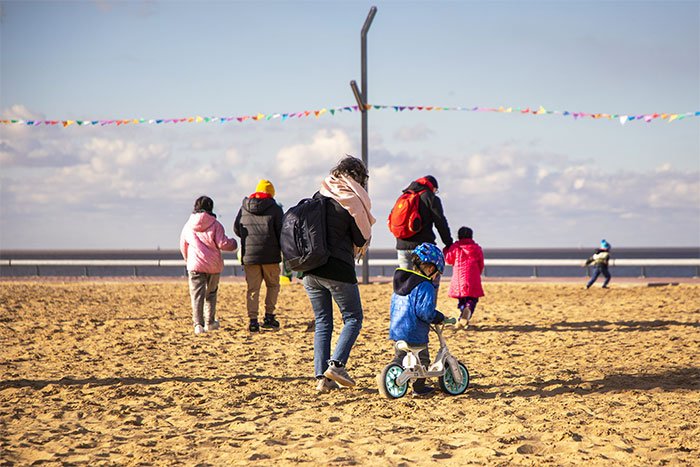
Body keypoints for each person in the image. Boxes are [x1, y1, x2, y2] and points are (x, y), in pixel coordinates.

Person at [303, 156, 375, 393]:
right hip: (337, 268)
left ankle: (322, 379)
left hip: (310, 269)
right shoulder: (350, 201)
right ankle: (336, 365)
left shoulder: (319, 194)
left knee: (323, 322)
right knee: (353, 318)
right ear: (358, 179)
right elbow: (360, 237)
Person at [388, 243, 447, 397]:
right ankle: (419, 388)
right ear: (429, 268)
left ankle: (391, 375)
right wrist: (438, 317)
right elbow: (425, 312)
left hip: (397, 330)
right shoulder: (425, 286)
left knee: (400, 356)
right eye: (436, 273)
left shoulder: (401, 284)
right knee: (423, 360)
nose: (435, 277)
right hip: (414, 331)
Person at [180, 196, 237, 335]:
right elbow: (223, 244)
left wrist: (188, 260)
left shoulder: (188, 225)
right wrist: (234, 243)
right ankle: (210, 322)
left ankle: (198, 325)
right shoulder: (216, 225)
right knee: (211, 294)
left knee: (196, 296)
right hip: (213, 265)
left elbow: (183, 245)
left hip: (195, 265)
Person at [234, 179, 284, 332]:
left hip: (250, 256)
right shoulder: (275, 208)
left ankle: (253, 321)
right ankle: (269, 317)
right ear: (271, 193)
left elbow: (237, 229)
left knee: (253, 289)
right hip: (271, 256)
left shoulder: (244, 207)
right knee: (273, 285)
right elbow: (281, 231)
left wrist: (248, 240)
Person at [394, 175, 453, 270]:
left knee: (406, 282)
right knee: (424, 281)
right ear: (432, 187)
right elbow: (440, 222)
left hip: (402, 246)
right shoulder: (430, 197)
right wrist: (448, 243)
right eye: (436, 190)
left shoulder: (404, 197)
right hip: (423, 249)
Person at [444, 226, 485, 329]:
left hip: (459, 278)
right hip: (473, 277)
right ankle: (468, 310)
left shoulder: (455, 247)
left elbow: (448, 259)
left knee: (462, 299)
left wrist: (446, 249)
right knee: (472, 298)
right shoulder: (476, 248)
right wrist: (477, 274)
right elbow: (481, 264)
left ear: (459, 236)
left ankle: (463, 314)